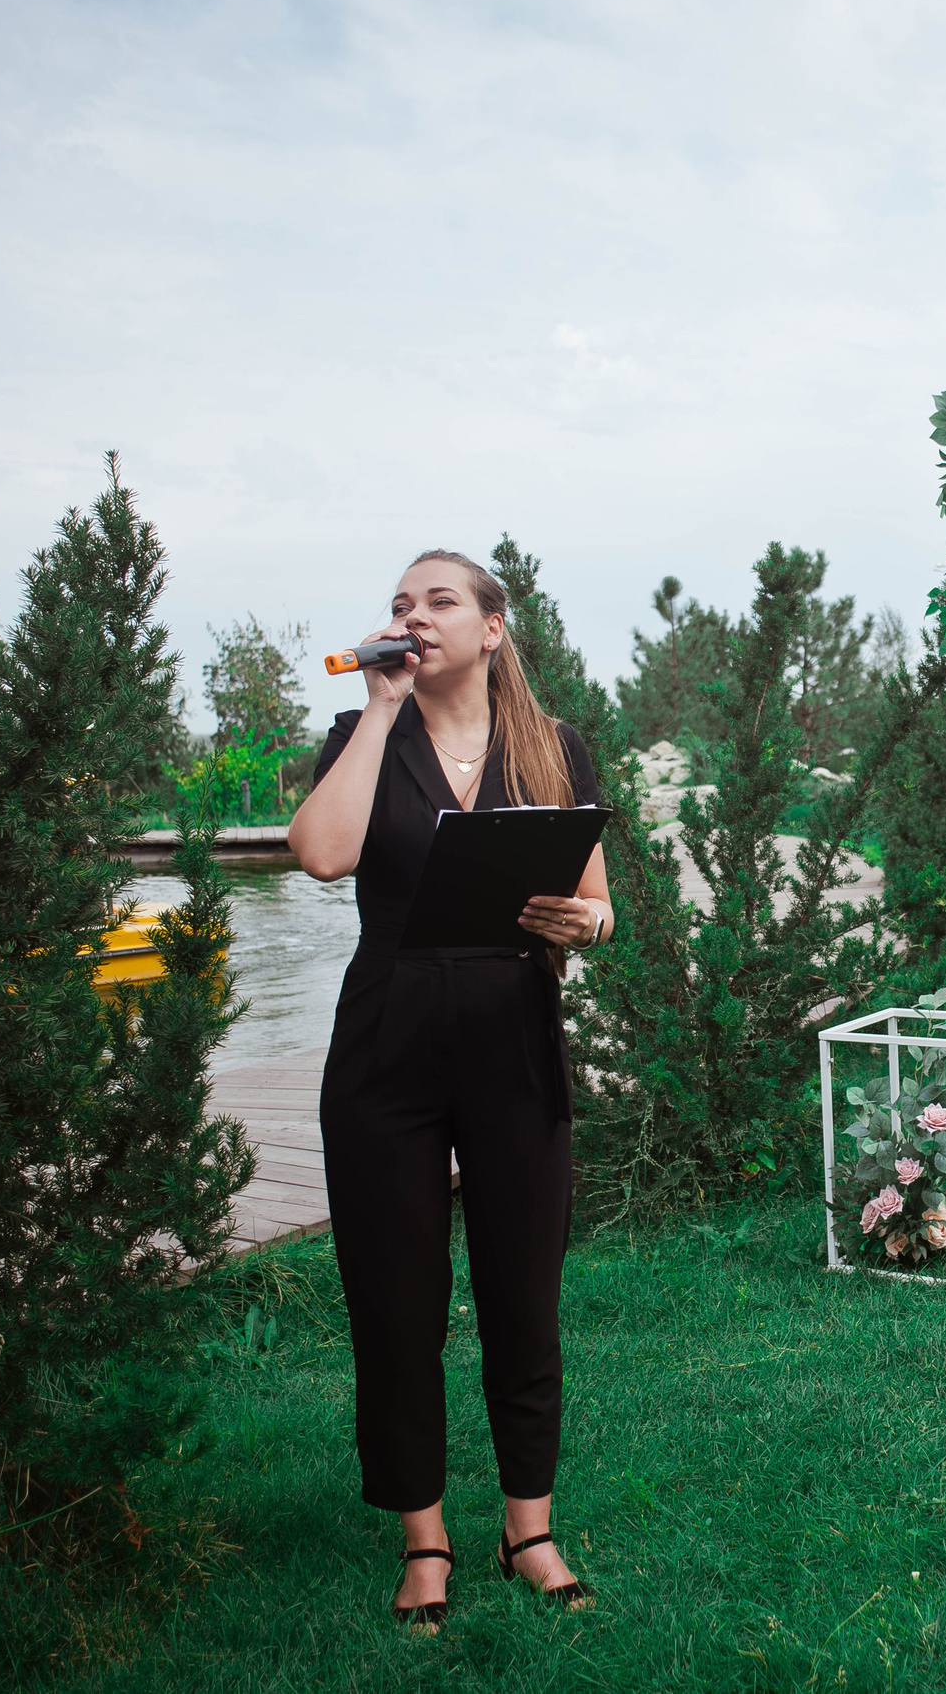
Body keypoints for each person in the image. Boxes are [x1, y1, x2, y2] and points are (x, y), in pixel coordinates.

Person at [288, 549, 611, 1630]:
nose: (411, 615)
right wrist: (377, 711)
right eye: (397, 603)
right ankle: (423, 1538)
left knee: (523, 1296)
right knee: (395, 1303)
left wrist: (586, 922)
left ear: (491, 628)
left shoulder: (553, 745)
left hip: (512, 1034)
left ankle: (530, 1525)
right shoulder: (361, 737)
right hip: (387, 1044)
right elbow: (321, 856)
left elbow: (596, 901)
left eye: (436, 600)